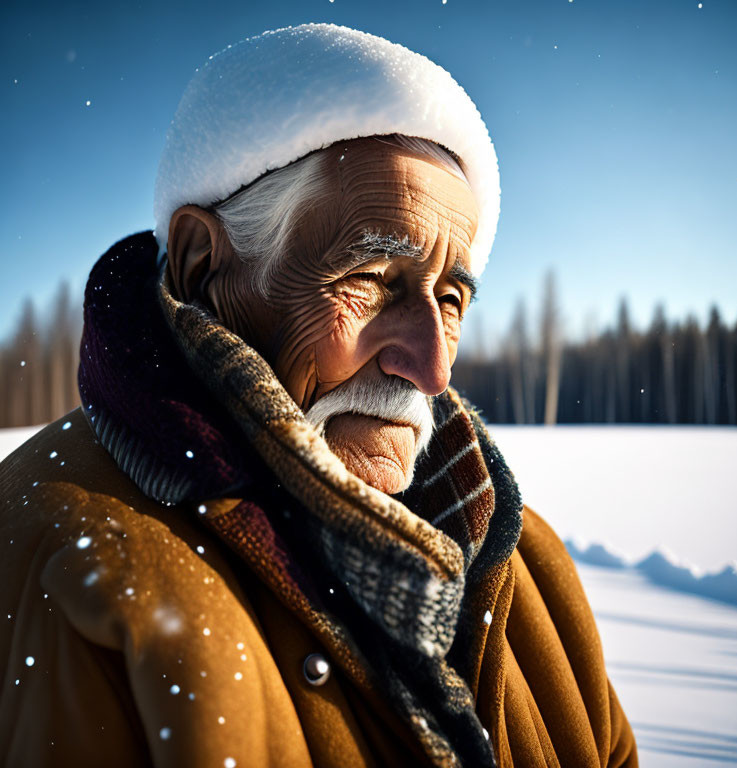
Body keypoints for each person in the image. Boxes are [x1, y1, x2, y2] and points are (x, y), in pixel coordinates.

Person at [0, 24, 637, 768]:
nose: (431, 368)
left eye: (451, 299)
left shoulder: (524, 561)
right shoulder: (70, 563)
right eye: (372, 279)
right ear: (206, 266)